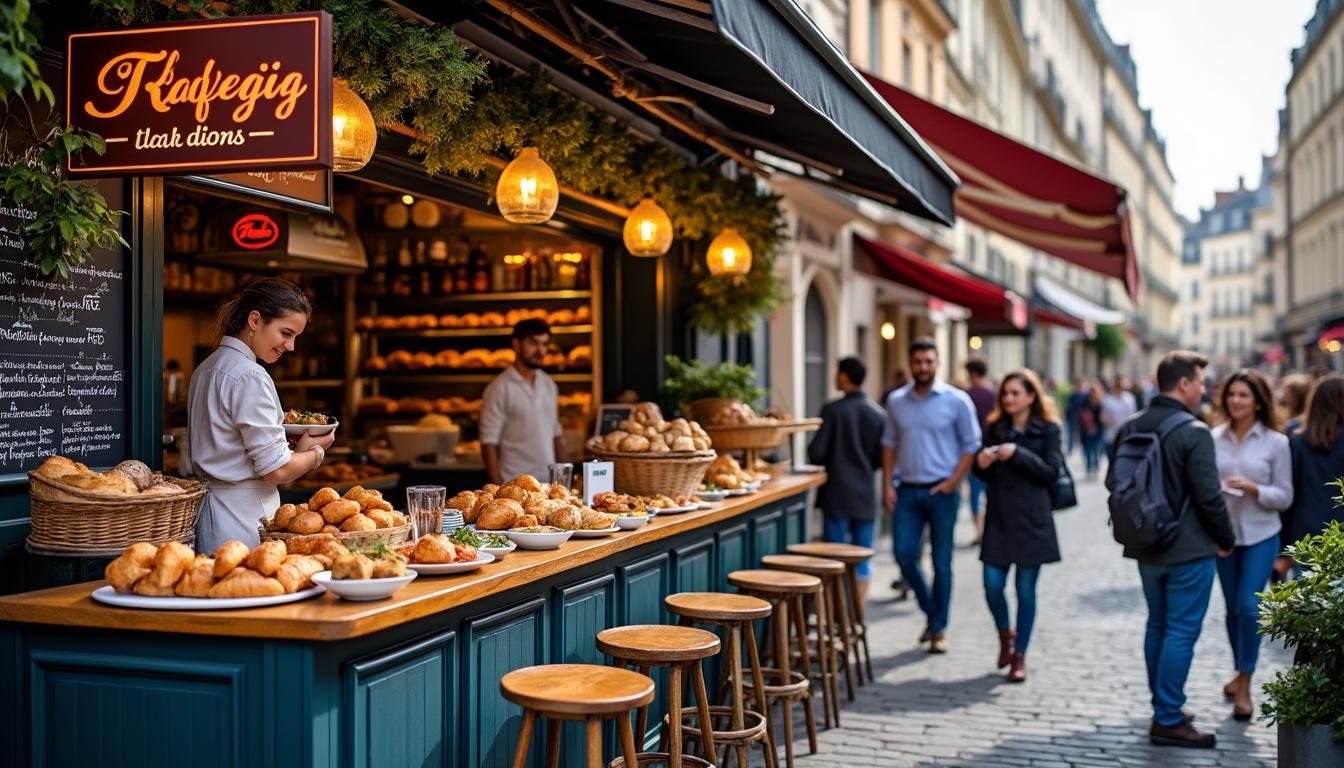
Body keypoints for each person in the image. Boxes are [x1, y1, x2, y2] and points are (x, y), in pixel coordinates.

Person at [1114, 351, 1235, 749]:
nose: (1203, 389)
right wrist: (1226, 539)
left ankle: (1164, 707)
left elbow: (1113, 482)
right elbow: (1210, 497)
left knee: (1158, 626)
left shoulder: (1131, 426)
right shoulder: (1194, 431)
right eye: (1200, 382)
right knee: (1181, 631)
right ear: (1183, 384)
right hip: (1189, 549)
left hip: (1145, 544)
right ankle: (1167, 717)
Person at [188, 279, 334, 552]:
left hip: (210, 514)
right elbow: (275, 470)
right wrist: (316, 453)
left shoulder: (206, 368)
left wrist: (295, 449)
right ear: (255, 320)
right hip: (245, 519)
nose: (290, 346)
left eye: (295, 337)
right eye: (286, 333)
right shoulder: (249, 375)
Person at [881, 337, 981, 653]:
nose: (923, 367)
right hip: (907, 490)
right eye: (918, 362)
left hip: (943, 492)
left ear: (938, 363)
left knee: (942, 562)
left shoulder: (957, 400)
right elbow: (889, 443)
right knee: (904, 555)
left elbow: (971, 444)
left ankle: (938, 629)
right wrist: (887, 483)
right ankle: (933, 614)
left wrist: (953, 482)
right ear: (911, 365)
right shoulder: (896, 401)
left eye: (928, 361)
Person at [1209, 370, 1293, 720]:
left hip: (1261, 533)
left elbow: (1285, 496)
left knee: (1248, 606)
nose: (1236, 401)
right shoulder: (1213, 437)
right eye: (1232, 394)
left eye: (1244, 395)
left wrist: (1254, 489)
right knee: (1231, 609)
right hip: (1225, 536)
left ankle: (1245, 684)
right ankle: (1239, 670)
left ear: (1258, 400)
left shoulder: (1277, 442)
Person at [972, 369, 1062, 683]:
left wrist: (1018, 453)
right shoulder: (995, 427)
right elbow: (982, 472)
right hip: (999, 519)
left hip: (1031, 520)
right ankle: (1004, 635)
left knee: (1026, 592)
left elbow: (1051, 471)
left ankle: (1019, 655)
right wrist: (980, 464)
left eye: (1015, 393)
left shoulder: (1049, 429)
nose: (1008, 399)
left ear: (1031, 396)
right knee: (992, 584)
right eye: (1005, 394)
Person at [808, 357, 886, 597]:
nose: (835, 377)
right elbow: (880, 460)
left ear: (844, 376)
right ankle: (856, 620)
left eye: (837, 372)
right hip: (865, 495)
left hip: (836, 495)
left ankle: (836, 622)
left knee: (834, 560)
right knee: (862, 560)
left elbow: (816, 453)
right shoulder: (879, 414)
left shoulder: (832, 410)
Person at [480, 318, 565, 484]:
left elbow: (556, 434)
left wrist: (563, 483)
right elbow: (488, 443)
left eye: (544, 344)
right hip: (513, 486)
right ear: (516, 344)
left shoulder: (549, 384)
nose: (540, 350)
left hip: (548, 486)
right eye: (533, 343)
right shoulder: (499, 388)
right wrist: (498, 489)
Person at [1283, 376, 1344, 558]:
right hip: (1339, 530)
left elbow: (1290, 494)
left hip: (1307, 533)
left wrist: (1284, 546)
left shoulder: (1298, 441)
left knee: (1310, 583)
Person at [964, 358, 996, 545]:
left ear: (973, 374)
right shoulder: (995, 394)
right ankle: (989, 530)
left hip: (975, 453)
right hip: (994, 451)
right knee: (991, 493)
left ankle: (980, 530)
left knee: (975, 494)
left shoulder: (967, 396)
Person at [1100, 377, 1138, 456]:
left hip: (1125, 437)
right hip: (1111, 436)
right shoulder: (1107, 400)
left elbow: (1133, 415)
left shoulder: (1129, 398)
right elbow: (1103, 418)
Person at [1080, 381, 1105, 479]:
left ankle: (1095, 467)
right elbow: (1081, 416)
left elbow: (1102, 417)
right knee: (1088, 450)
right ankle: (1089, 467)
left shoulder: (1100, 403)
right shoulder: (1085, 402)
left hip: (1097, 430)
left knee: (1096, 449)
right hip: (1086, 430)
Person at [1065, 377, 1090, 456]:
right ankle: (1070, 449)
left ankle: (1083, 450)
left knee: (1082, 435)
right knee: (1071, 434)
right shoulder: (1072, 395)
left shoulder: (1085, 396)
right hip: (1073, 417)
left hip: (1082, 419)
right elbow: (1068, 407)